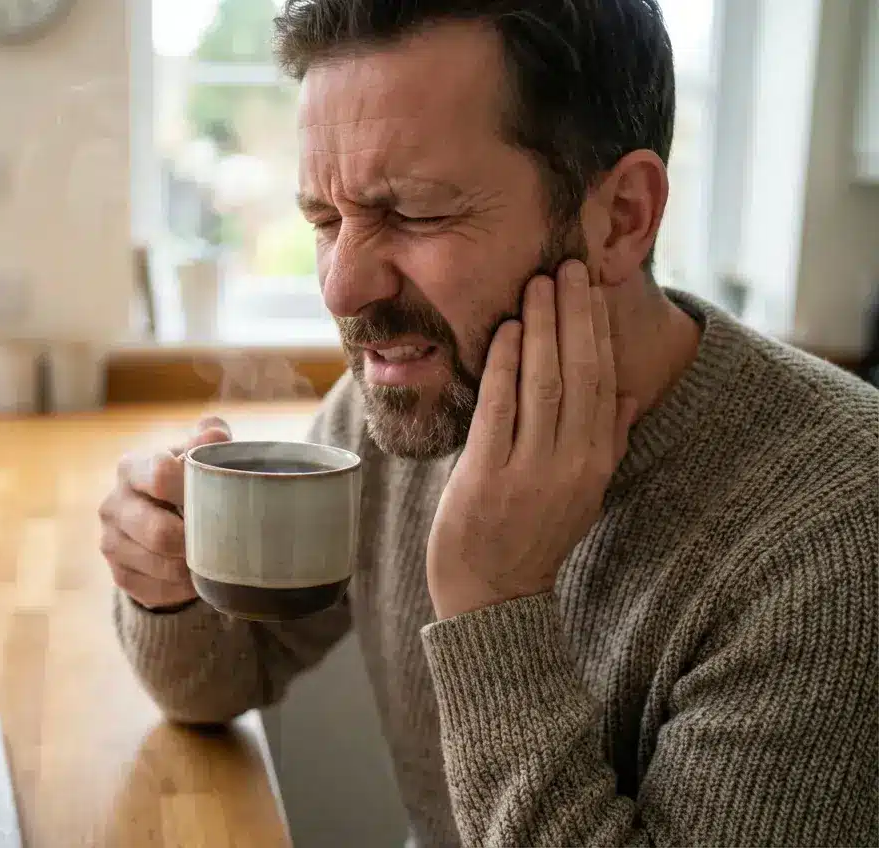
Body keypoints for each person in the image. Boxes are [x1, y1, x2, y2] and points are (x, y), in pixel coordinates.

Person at [98, 1, 879, 844]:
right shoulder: (413, 394)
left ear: (621, 216)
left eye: (416, 214)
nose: (340, 288)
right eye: (325, 221)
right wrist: (168, 586)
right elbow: (215, 682)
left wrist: (494, 602)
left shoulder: (837, 533)